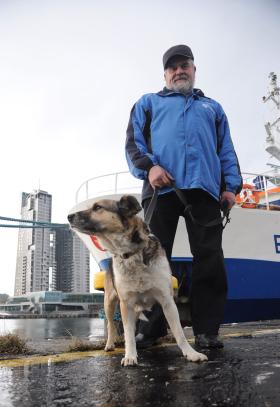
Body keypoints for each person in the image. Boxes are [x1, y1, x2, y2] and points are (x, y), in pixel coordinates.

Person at [125, 44, 242, 349]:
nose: (179, 71)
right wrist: (150, 168)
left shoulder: (213, 108)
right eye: (172, 67)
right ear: (165, 74)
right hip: (160, 190)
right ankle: (150, 331)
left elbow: (225, 149)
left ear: (194, 70)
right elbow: (133, 144)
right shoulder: (147, 103)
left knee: (210, 259)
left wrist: (231, 186)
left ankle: (207, 331)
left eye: (184, 65)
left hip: (204, 191)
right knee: (150, 260)